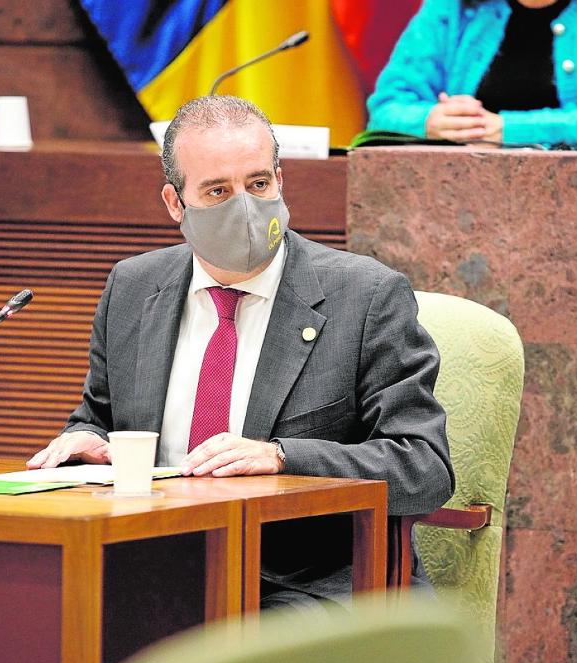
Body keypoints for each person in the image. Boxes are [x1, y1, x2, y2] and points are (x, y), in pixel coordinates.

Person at [28, 95, 455, 612]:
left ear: (281, 181)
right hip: (155, 566)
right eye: (217, 191)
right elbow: (98, 419)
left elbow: (423, 467)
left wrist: (281, 456)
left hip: (306, 582)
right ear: (175, 203)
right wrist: (86, 442)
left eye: (258, 184)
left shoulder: (366, 296)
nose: (245, 208)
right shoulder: (133, 287)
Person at [366, 0, 577, 151]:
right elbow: (386, 111)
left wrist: (502, 130)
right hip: (459, 207)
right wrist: (431, 121)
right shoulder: (451, 7)